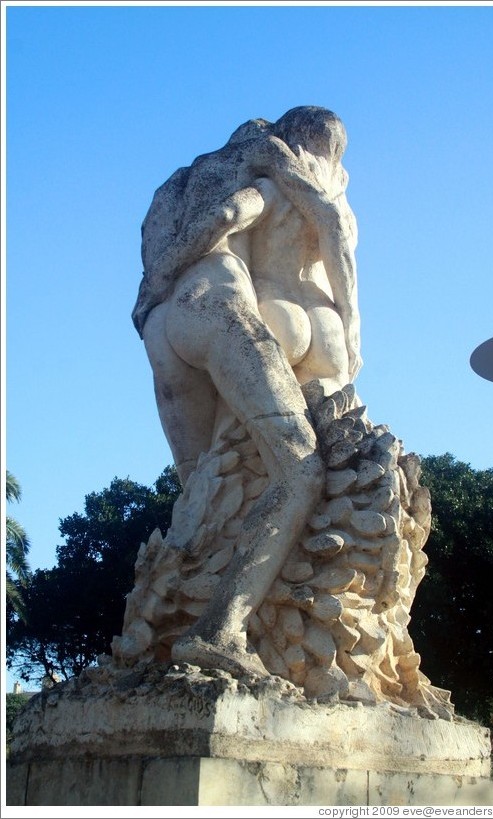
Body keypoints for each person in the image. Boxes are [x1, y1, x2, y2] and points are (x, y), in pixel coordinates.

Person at [137, 107, 361, 675]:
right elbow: (243, 217)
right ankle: (218, 631)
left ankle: (159, 637)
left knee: (201, 491)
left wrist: (157, 280)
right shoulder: (277, 163)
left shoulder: (192, 174)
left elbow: (176, 230)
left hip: (163, 327)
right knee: (300, 470)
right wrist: (354, 328)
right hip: (220, 313)